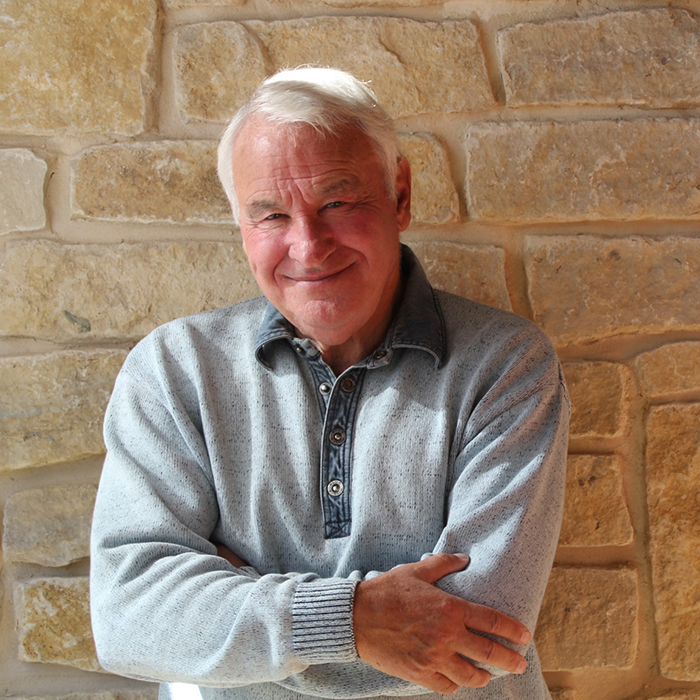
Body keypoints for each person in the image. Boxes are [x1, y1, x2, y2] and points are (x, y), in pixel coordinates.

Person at [90, 67, 570, 700]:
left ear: (400, 194)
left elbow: (479, 639)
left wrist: (236, 608)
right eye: (270, 214)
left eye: (337, 202)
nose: (308, 246)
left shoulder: (505, 364)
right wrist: (354, 619)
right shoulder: (174, 371)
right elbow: (131, 618)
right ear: (240, 223)